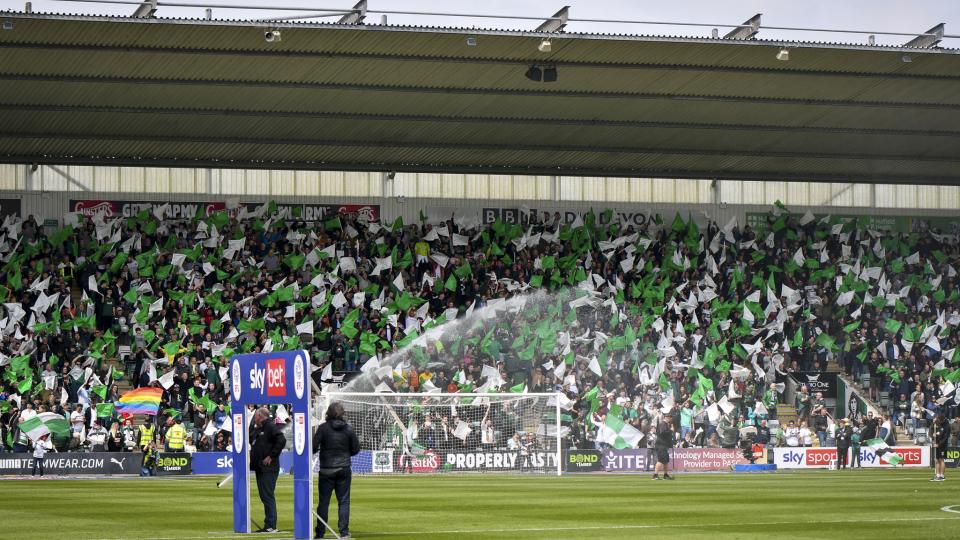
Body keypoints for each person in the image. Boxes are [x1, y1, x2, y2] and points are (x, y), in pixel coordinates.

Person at [313, 401, 360, 540]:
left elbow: (313, 447)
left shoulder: (323, 428)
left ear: (328, 413)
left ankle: (320, 533)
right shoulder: (349, 429)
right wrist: (345, 455)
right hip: (343, 467)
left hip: (326, 469)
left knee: (323, 502)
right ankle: (344, 532)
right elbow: (356, 449)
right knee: (344, 501)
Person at [250, 407, 285, 534]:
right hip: (260, 468)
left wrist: (272, 455)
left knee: (267, 496)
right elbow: (252, 439)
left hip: (268, 469)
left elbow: (281, 440)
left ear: (260, 416)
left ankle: (271, 525)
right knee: (265, 496)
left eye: (255, 415)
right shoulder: (260, 428)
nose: (254, 418)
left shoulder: (270, 426)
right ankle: (269, 524)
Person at [932, 414, 949, 482]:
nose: (937, 419)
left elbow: (945, 438)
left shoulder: (946, 426)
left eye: (938, 418)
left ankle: (941, 475)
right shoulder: (938, 424)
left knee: (941, 460)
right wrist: (934, 435)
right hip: (937, 444)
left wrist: (938, 444)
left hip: (942, 446)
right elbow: (934, 431)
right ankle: (938, 475)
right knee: (937, 460)